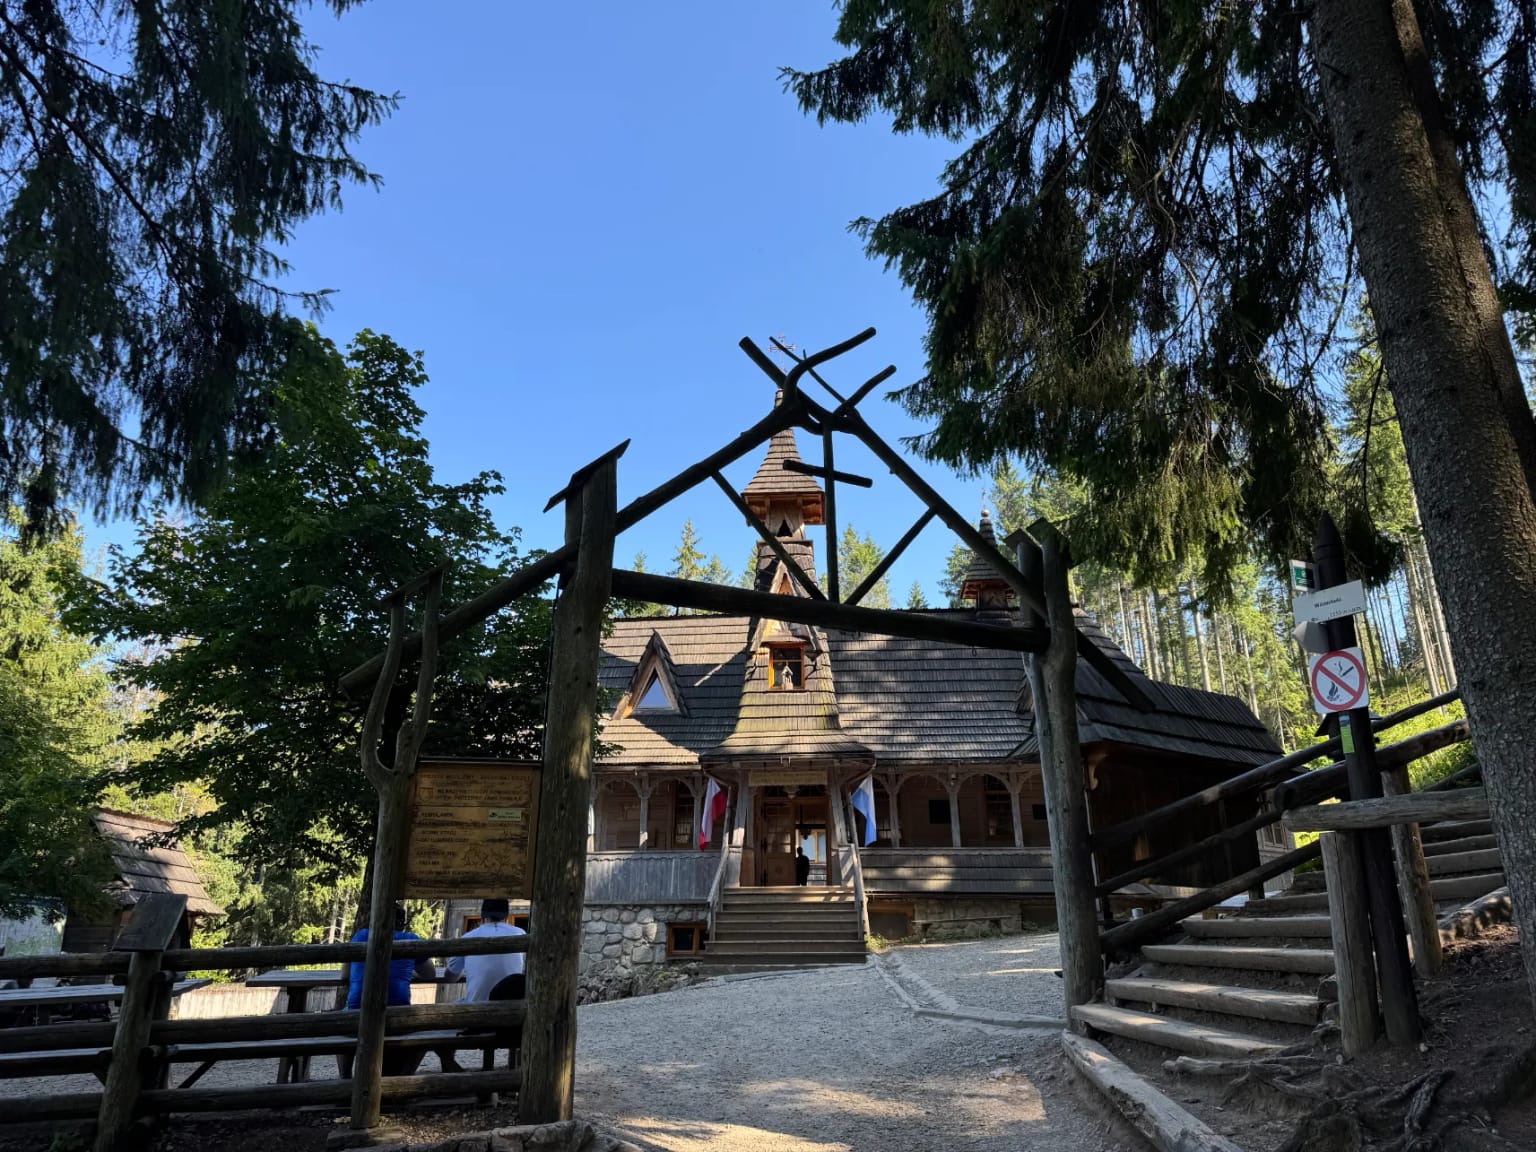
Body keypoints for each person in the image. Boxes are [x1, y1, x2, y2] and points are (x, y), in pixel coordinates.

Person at [336, 905, 436, 1078]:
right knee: (426, 1032)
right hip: (396, 1018)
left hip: (357, 1015)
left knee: (342, 1024)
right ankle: (402, 1079)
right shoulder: (411, 939)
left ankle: (344, 1077)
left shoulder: (361, 936)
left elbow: (345, 974)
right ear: (403, 923)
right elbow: (430, 974)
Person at [447, 898, 525, 1002]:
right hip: (511, 1008)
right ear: (506, 916)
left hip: (476, 1008)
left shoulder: (468, 937)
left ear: (482, 916)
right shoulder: (521, 934)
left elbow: (450, 977)